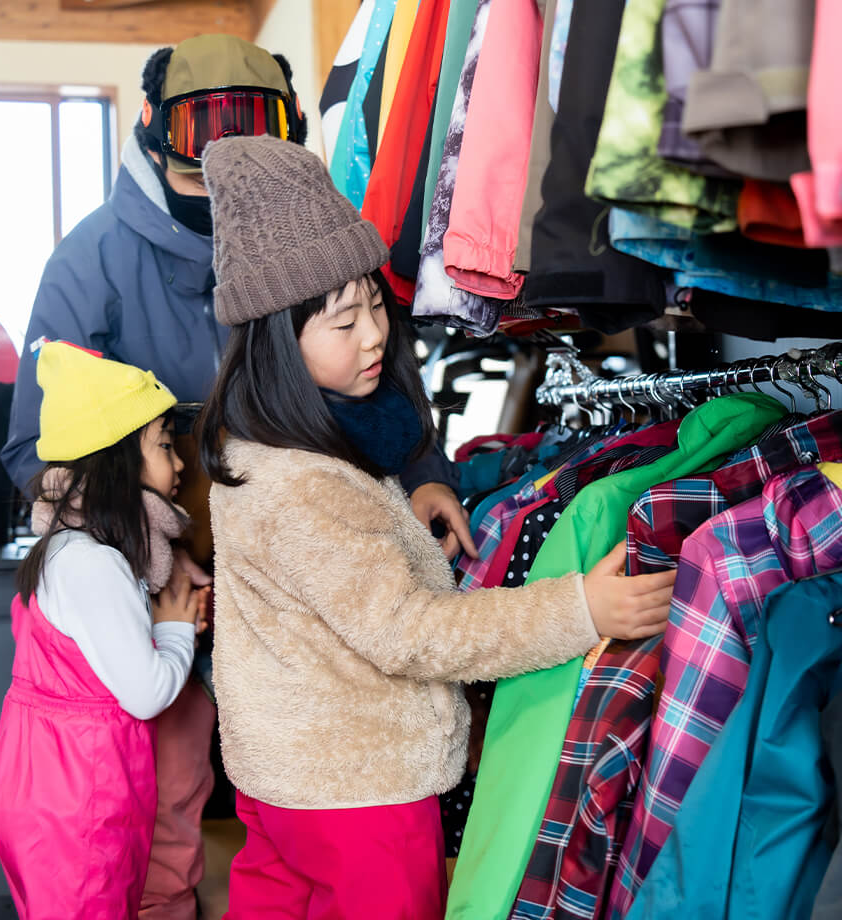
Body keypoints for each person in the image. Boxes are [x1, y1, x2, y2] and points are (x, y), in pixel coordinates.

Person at [0, 32, 476, 920]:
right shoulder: (91, 262)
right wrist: (145, 551)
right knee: (166, 804)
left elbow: (379, 371)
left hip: (309, 591)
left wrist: (422, 467)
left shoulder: (311, 242)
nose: (221, 189)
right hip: (169, 589)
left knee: (301, 796)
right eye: (201, 166)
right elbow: (39, 448)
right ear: (154, 137)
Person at [196, 134, 677, 920]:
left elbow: (370, 470)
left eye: (372, 304)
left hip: (281, 780)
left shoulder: (260, 440)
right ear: (280, 343)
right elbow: (414, 633)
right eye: (342, 322)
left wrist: (418, 481)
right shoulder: (307, 489)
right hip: (359, 794)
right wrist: (581, 609)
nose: (375, 336)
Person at [0, 341, 209, 918]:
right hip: (81, 794)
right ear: (117, 462)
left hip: (45, 781)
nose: (180, 462)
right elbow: (146, 692)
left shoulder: (65, 547)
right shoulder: (94, 562)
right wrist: (176, 628)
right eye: (163, 445)